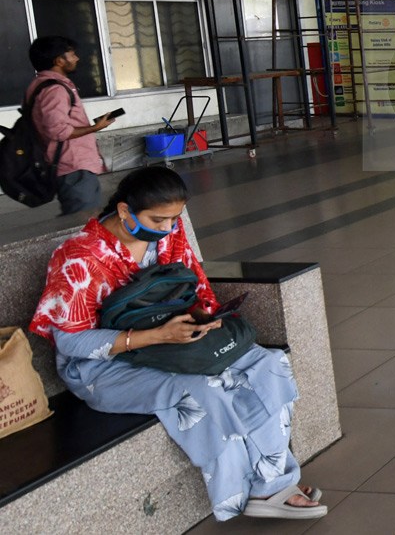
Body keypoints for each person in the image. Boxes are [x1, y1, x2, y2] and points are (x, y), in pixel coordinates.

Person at [30, 167, 326, 521]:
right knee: (207, 388)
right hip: (103, 364)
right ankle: (247, 491)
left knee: (267, 364)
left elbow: (193, 288)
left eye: (174, 219)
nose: (168, 228)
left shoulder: (166, 233)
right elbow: (70, 340)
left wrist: (203, 316)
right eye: (158, 220)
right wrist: (157, 336)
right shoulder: (78, 257)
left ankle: (272, 481)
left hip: (169, 342)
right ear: (124, 211)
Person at [26, 36, 116, 216]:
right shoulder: (55, 89)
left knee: (83, 218)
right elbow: (59, 130)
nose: (77, 58)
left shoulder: (39, 85)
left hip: (69, 164)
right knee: (82, 222)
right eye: (72, 54)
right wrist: (95, 128)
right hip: (73, 165)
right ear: (59, 61)